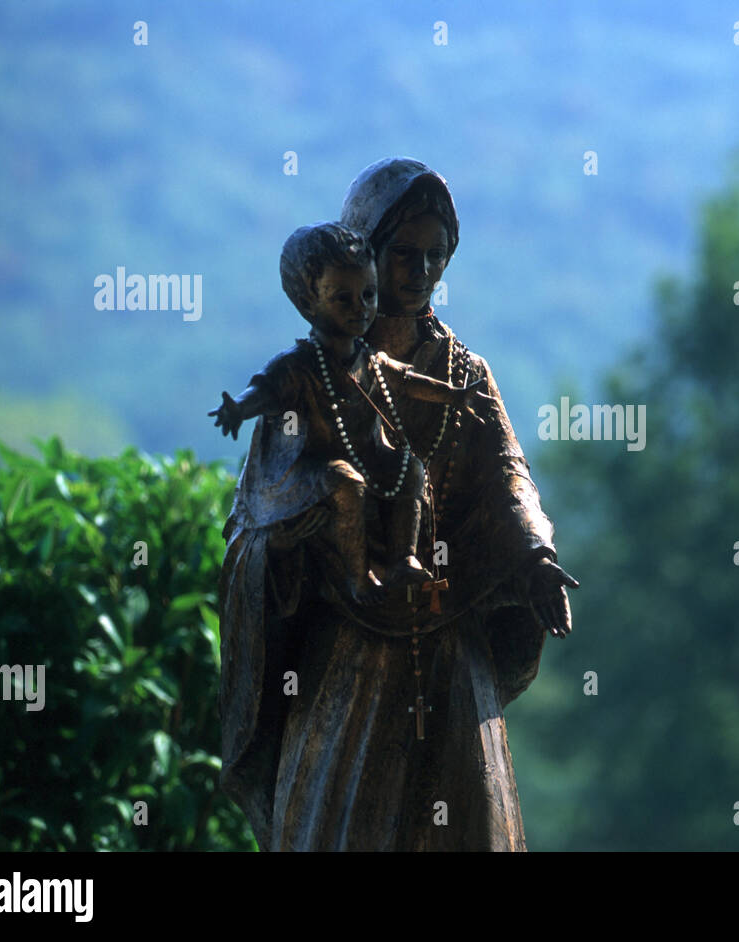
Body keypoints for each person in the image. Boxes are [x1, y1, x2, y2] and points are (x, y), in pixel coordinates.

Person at [218, 159, 578, 851]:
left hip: (449, 647)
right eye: (403, 254)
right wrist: (305, 528)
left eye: (435, 257)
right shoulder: (310, 373)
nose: (419, 272)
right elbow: (256, 518)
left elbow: (508, 475)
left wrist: (535, 554)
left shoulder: (464, 374)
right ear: (361, 252)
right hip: (344, 663)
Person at [209, 222, 491, 610]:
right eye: (344, 299)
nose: (361, 308)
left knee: (411, 468)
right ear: (310, 301)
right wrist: (239, 408)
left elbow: (408, 381)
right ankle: (358, 579)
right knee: (346, 481)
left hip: (368, 457)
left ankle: (403, 558)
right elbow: (266, 390)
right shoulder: (300, 366)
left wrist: (452, 395)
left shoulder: (369, 360)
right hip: (311, 474)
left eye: (369, 294)